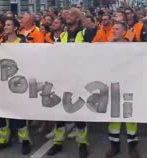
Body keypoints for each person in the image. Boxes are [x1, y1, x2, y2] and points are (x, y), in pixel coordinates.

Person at [47, 8, 99, 158]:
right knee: (59, 113)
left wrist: (80, 14)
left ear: (77, 19)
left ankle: (82, 143)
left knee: (79, 113)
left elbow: (94, 28)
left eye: (71, 15)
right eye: (67, 15)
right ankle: (58, 142)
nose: (68, 16)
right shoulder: (63, 35)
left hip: (79, 78)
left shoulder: (84, 33)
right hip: (62, 78)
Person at [0, 17, 31, 155]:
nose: (6, 27)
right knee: (1, 113)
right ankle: (4, 139)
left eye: (9, 25)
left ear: (15, 28)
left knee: (18, 114)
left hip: (18, 83)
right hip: (3, 83)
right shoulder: (0, 43)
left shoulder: (23, 42)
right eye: (5, 25)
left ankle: (25, 140)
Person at [105, 21, 139, 158]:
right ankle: (114, 146)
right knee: (114, 118)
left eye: (117, 29)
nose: (114, 31)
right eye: (113, 28)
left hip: (129, 85)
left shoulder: (134, 47)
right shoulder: (108, 47)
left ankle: (132, 147)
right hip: (113, 86)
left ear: (124, 32)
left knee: (130, 117)